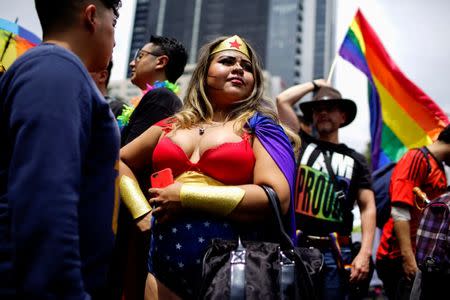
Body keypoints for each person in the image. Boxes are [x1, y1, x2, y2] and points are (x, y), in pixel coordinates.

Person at [119, 35, 297, 299]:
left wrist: (186, 196)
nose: (239, 68)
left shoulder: (261, 128)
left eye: (247, 67)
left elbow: (275, 197)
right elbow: (119, 161)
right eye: (227, 61)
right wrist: (141, 212)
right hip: (162, 268)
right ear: (204, 73)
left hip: (236, 273)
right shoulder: (171, 125)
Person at [0, 0, 121, 298]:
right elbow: (45, 200)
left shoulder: (56, 70)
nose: (116, 40)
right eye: (114, 25)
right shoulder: (57, 71)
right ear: (92, 17)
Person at [277, 80, 376, 299]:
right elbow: (282, 100)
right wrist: (314, 84)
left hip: (338, 252)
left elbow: (368, 206)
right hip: (298, 247)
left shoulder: (356, 160)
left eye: (330, 108)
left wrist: (365, 253)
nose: (322, 112)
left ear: (343, 117)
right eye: (317, 109)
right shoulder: (300, 142)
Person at [109, 35, 188, 300]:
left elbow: (124, 160)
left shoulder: (161, 98)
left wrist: (141, 215)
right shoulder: (157, 99)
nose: (133, 62)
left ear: (161, 62)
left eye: (140, 55)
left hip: (131, 224)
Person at [376, 124, 450, 299]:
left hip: (420, 258)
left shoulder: (438, 167)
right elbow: (400, 211)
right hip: (397, 258)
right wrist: (408, 259)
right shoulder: (416, 158)